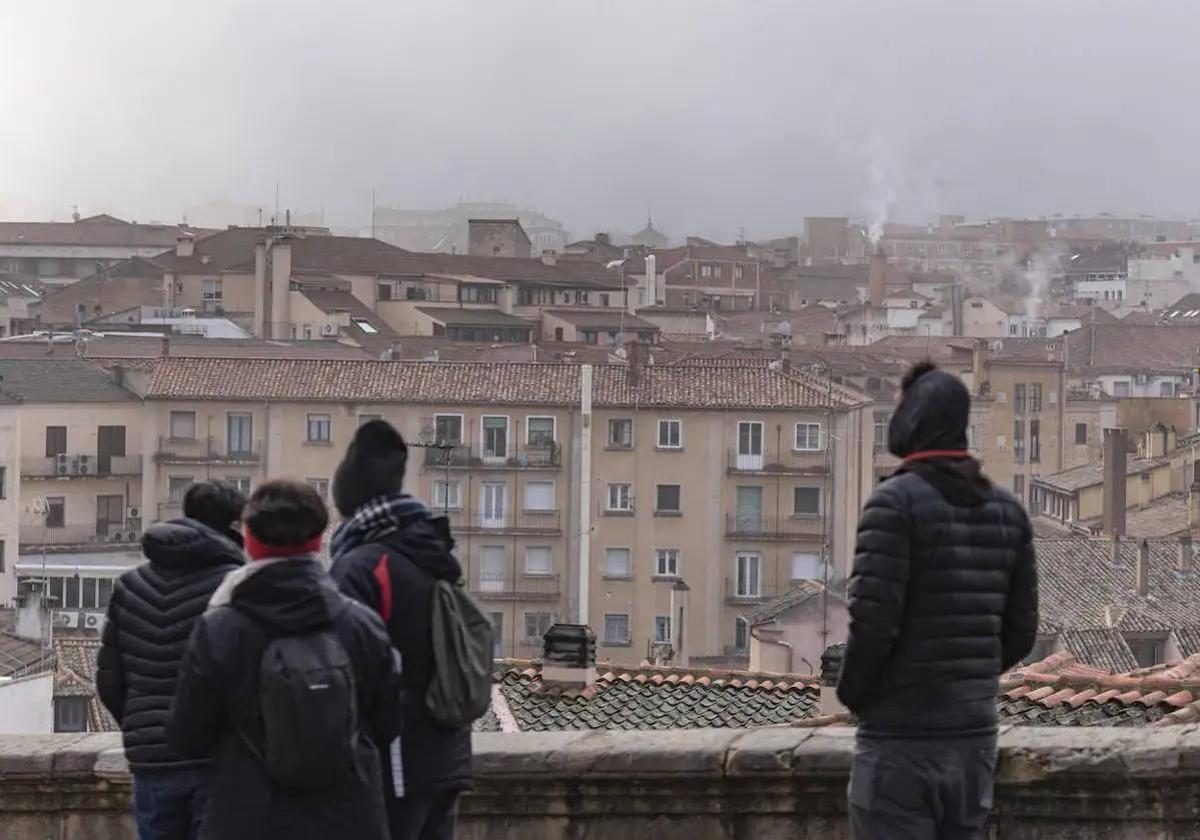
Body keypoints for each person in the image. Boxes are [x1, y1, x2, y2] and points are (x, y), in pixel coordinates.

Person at [837, 361, 1039, 840]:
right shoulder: (1008, 511)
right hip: (973, 737)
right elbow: (1020, 633)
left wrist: (854, 695)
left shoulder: (894, 504)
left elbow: (871, 625)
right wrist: (967, 679)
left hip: (901, 738)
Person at [167, 479, 403, 840]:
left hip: (246, 815)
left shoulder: (219, 629)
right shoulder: (360, 624)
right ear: (318, 539)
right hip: (347, 818)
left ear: (249, 540)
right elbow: (387, 723)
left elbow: (187, 736)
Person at [329, 420, 472, 840]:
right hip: (446, 753)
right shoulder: (430, 551)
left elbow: (348, 671)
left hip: (396, 762)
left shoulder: (361, 567)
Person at [97, 479, 247, 840]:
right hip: (215, 757)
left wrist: (140, 725)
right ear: (231, 526)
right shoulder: (233, 584)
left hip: (151, 760)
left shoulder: (129, 585)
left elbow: (110, 681)